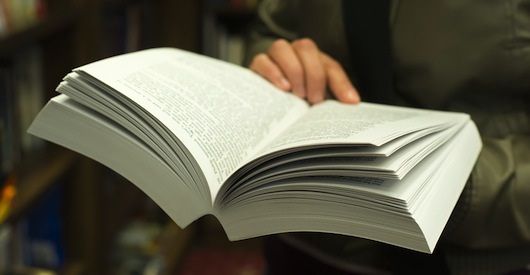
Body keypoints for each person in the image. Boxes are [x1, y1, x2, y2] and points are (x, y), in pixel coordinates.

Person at [245, 0, 530, 274]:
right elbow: (270, 32)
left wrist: (453, 185)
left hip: (477, 256)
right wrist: (282, 67)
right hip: (303, 239)